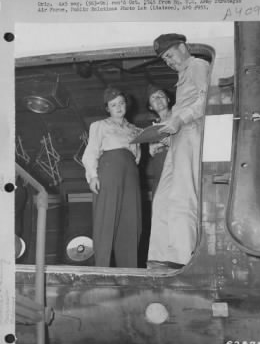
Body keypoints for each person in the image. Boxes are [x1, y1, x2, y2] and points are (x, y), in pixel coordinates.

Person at [147, 33, 210, 269]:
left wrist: (179, 119)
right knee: (163, 199)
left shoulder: (197, 66)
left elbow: (206, 99)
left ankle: (183, 259)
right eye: (165, 59)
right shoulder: (182, 76)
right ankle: (162, 256)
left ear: (183, 47)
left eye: (170, 55)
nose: (169, 62)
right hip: (176, 140)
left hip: (191, 135)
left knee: (183, 198)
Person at [82, 86, 142, 268]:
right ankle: (102, 268)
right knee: (106, 220)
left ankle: (129, 269)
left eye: (121, 103)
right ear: (107, 108)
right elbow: (91, 151)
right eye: (113, 104)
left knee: (131, 221)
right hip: (109, 170)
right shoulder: (99, 125)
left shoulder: (136, 130)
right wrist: (92, 176)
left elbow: (137, 157)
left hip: (131, 173)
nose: (118, 107)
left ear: (126, 105)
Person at [146, 84, 171, 197]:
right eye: (153, 98)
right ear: (151, 106)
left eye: (161, 96)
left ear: (168, 99)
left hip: (177, 165)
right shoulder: (152, 127)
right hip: (160, 167)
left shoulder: (179, 118)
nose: (158, 99)